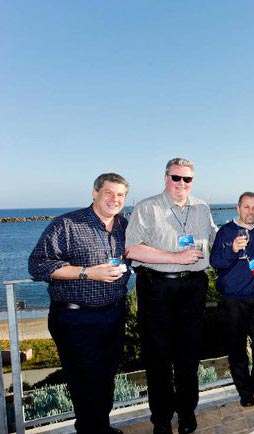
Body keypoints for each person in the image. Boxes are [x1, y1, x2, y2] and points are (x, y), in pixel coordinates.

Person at [28, 173, 131, 434]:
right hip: (75, 319)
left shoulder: (124, 225)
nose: (114, 199)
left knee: (106, 376)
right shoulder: (67, 224)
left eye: (120, 195)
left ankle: (101, 427)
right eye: (108, 192)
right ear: (95, 193)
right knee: (85, 381)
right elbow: (38, 265)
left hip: (114, 314)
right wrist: (87, 272)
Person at [125, 158, 217, 434]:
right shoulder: (147, 208)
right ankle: (162, 419)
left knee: (189, 356)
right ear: (166, 178)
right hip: (157, 289)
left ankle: (187, 411)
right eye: (176, 177)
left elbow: (215, 239)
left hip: (194, 288)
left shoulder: (202, 207)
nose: (181, 183)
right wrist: (175, 257)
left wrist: (243, 231)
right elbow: (131, 250)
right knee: (158, 359)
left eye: (187, 179)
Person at [210, 192, 254, 407]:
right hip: (233, 300)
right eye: (246, 207)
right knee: (236, 347)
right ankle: (245, 391)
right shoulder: (226, 231)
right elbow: (215, 262)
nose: (251, 212)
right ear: (238, 208)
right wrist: (232, 249)